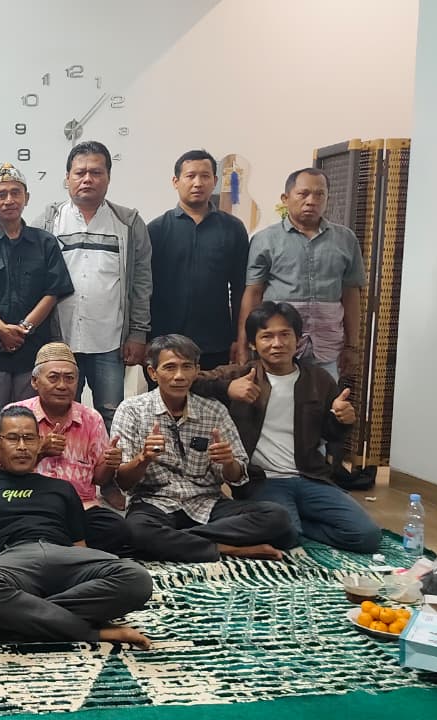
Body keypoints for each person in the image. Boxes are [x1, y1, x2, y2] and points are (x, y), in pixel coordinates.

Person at [0, 406, 152, 646]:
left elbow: (79, 547)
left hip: (63, 556)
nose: (22, 447)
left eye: (29, 438)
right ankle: (94, 632)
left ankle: (8, 621)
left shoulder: (62, 488)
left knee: (137, 578)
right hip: (11, 562)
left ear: (39, 443)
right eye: (13, 438)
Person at [192, 302, 381, 552]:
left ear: (298, 339)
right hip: (263, 481)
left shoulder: (319, 380)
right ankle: (294, 527)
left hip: (311, 477)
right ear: (253, 343)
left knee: (367, 536)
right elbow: (188, 380)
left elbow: (331, 434)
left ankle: (300, 525)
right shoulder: (241, 375)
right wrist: (226, 388)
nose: (277, 343)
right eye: (267, 336)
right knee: (286, 535)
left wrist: (342, 419)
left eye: (285, 334)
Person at [112, 335, 295, 563]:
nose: (179, 376)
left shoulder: (214, 411)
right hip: (154, 504)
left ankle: (173, 542)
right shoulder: (131, 410)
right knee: (135, 530)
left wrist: (228, 463)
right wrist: (144, 458)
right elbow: (122, 481)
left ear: (197, 371)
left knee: (277, 518)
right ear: (153, 373)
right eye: (170, 367)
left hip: (207, 503)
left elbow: (238, 477)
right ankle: (230, 548)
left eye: (187, 367)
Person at [36, 141, 152, 437]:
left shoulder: (128, 223)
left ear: (108, 178)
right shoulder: (48, 222)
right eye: (80, 173)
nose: (87, 179)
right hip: (61, 340)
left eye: (96, 172)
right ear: (67, 178)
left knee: (112, 415)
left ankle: (109, 468)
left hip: (109, 341)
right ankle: (62, 467)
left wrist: (138, 333)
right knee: (59, 414)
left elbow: (141, 283)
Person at [0, 163, 74, 453]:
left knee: (30, 427)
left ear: (26, 198)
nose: (9, 200)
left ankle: (29, 480)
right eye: (1, 195)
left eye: (15, 193)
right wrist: (1, 329)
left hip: (32, 353)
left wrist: (23, 329)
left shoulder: (45, 242)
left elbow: (54, 290)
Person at [4, 342, 130, 555]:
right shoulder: (15, 415)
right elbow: (3, 470)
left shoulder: (91, 418)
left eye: (69, 378)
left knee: (119, 530)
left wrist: (110, 464)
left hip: (81, 507)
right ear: (35, 381)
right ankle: (72, 553)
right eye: (53, 378)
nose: (62, 385)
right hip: (30, 503)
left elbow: (99, 479)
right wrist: (40, 452)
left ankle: (55, 550)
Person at [241, 168, 366, 380]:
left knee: (323, 398)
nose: (311, 201)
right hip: (276, 346)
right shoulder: (265, 240)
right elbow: (253, 293)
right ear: (285, 198)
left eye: (319, 194)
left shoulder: (346, 239)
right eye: (303, 194)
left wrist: (352, 345)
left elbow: (351, 294)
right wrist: (244, 345)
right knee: (276, 397)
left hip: (327, 347)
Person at [148, 150, 250, 369]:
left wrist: (239, 338)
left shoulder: (233, 229)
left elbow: (240, 288)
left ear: (214, 181)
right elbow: (143, 288)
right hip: (164, 342)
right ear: (175, 181)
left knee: (216, 392)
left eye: (205, 176)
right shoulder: (156, 230)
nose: (198, 183)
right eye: (190, 176)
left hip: (216, 342)